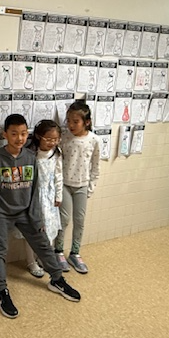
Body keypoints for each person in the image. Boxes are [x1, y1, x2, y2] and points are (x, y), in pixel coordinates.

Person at [0, 114, 81, 319]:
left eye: (22, 133)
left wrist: (37, 218)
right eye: (14, 134)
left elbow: (35, 190)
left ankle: (57, 279)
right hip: (1, 212)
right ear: (5, 134)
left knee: (43, 243)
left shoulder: (30, 157)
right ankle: (1, 291)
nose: (19, 138)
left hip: (25, 211)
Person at [54, 102, 100, 274]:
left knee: (79, 220)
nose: (71, 125)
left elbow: (95, 166)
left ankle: (75, 253)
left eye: (75, 122)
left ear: (86, 122)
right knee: (64, 219)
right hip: (65, 185)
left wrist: (90, 187)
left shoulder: (94, 140)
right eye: (68, 121)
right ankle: (58, 251)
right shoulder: (64, 138)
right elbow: (57, 163)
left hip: (82, 185)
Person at [23, 120, 63, 278]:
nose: (52, 143)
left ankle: (45, 258)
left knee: (49, 229)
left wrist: (58, 195)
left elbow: (58, 175)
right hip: (34, 198)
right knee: (33, 231)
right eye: (48, 139)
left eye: (55, 139)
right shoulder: (31, 153)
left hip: (49, 197)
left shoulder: (56, 153)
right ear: (39, 136)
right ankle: (31, 261)